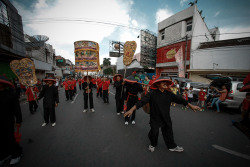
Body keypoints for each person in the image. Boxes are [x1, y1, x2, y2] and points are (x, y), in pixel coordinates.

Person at [124, 77, 200, 153]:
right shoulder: (152, 94)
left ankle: (171, 146)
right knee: (154, 133)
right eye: (162, 82)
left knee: (168, 132)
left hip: (166, 117)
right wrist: (131, 109)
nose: (165, 83)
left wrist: (191, 106)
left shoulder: (169, 94)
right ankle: (153, 144)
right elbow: (141, 102)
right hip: (155, 118)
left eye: (166, 82)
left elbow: (180, 99)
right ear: (157, 84)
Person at [0, 75, 23, 165]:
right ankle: (4, 155)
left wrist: (18, 120)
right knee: (1, 140)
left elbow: (16, 109)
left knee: (10, 138)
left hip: (7, 120)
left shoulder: (11, 94)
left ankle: (17, 154)